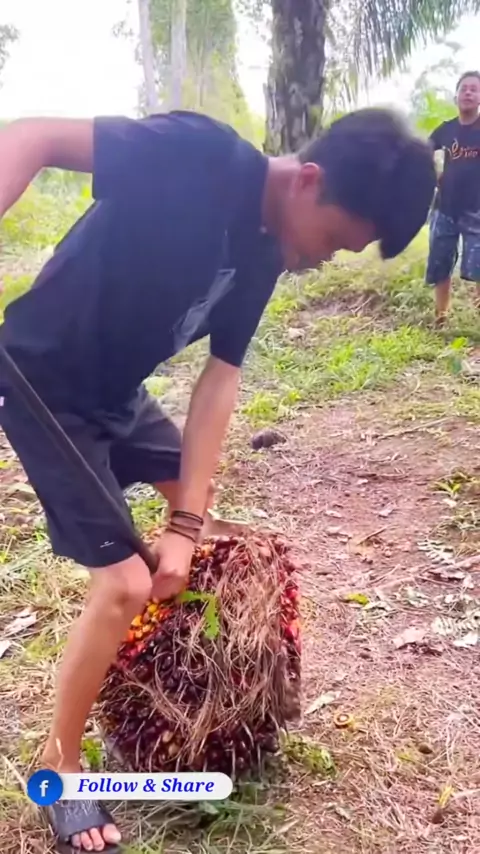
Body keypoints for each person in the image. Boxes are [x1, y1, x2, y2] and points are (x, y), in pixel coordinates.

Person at [0, 107, 435, 852]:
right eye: (333, 242)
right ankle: (59, 767)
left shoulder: (265, 250)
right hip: (42, 379)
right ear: (308, 180)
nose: (323, 259)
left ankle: (166, 680)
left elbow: (219, 380)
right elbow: (31, 136)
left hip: (116, 394)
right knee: (125, 583)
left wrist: (184, 523)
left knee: (200, 518)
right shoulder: (199, 155)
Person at [427, 71, 480, 325]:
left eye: (474, 89)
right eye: (464, 89)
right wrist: (434, 172)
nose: (468, 93)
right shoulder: (446, 130)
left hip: (477, 209)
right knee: (441, 264)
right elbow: (425, 149)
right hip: (445, 208)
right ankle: (441, 318)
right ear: (456, 96)